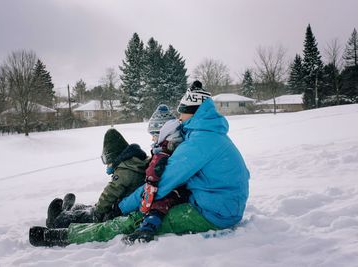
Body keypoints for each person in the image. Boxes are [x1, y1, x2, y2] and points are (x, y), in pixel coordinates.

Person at [29, 81, 250, 246]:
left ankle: (64, 236)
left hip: (214, 212)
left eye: (182, 113)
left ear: (193, 113)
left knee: (134, 220)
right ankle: (71, 221)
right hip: (219, 204)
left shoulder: (201, 142)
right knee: (138, 211)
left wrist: (121, 207)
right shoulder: (207, 135)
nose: (179, 118)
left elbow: (159, 185)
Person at [44, 128, 149, 229]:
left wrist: (98, 210)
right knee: (90, 208)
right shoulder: (134, 163)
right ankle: (74, 209)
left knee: (89, 216)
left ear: (115, 157)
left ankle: (58, 221)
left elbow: (111, 192)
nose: (107, 165)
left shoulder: (125, 169)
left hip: (119, 212)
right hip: (121, 204)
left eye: (108, 162)